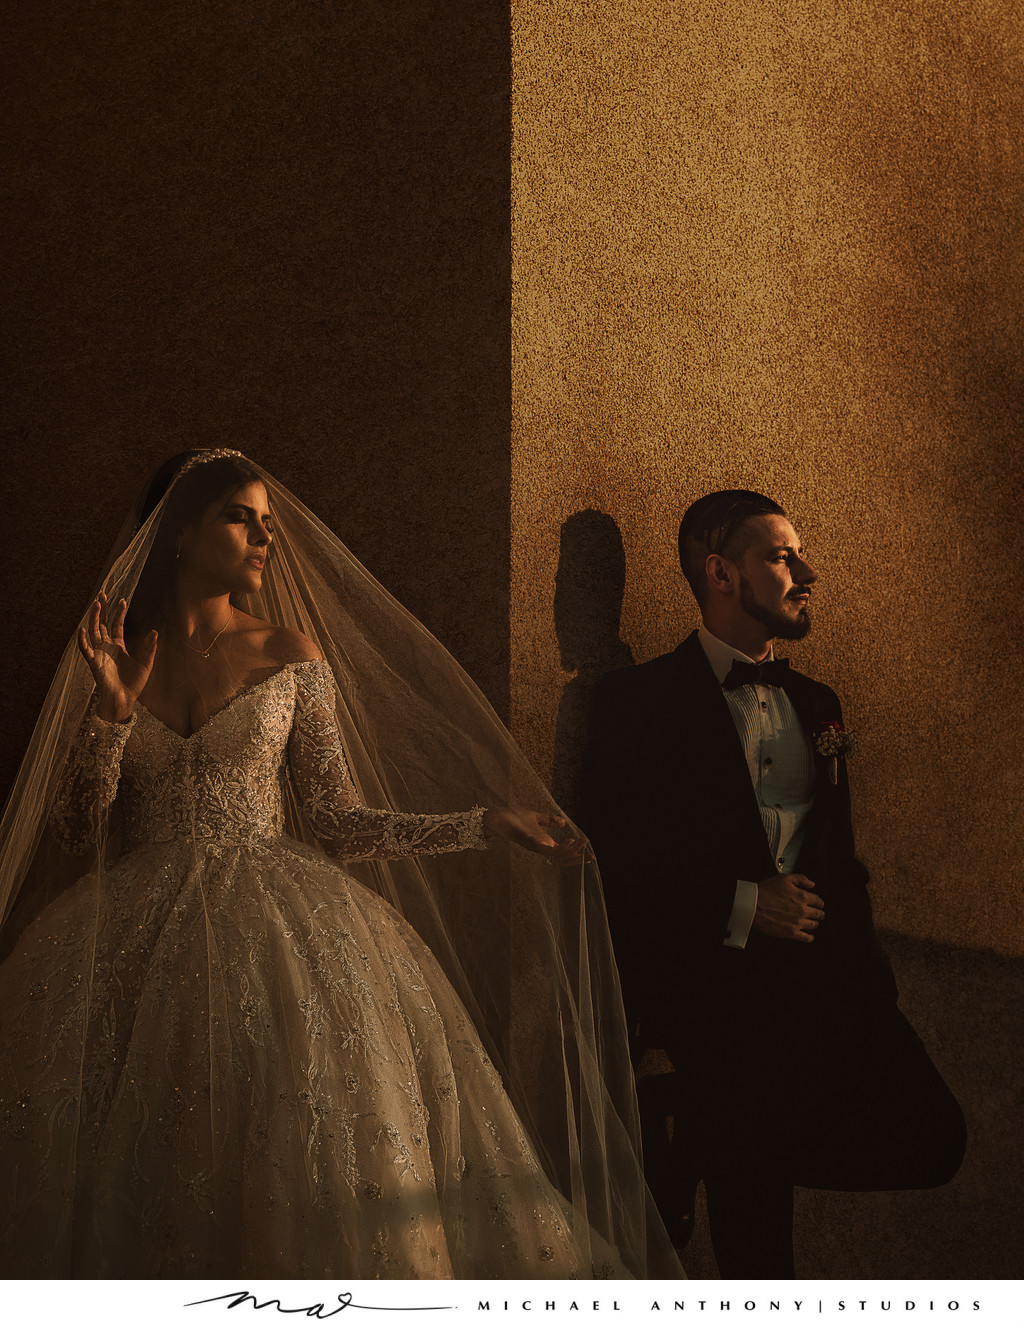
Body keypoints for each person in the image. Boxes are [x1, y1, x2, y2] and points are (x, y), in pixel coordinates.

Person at [0, 450, 679, 1279]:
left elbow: (337, 822)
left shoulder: (289, 653)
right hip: (128, 945)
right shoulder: (115, 653)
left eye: (269, 524)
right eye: (240, 517)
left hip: (278, 930)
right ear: (178, 533)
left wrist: (482, 822)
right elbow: (78, 830)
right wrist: (109, 712)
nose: (263, 539)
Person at [583, 489, 966, 1278]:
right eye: (782, 556)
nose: (806, 572)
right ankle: (708, 1129)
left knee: (933, 1138)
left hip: (831, 992)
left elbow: (836, 851)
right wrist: (746, 905)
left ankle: (695, 1131)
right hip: (716, 990)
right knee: (759, 1253)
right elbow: (617, 854)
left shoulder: (817, 704)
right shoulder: (636, 702)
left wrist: (869, 976)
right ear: (722, 573)